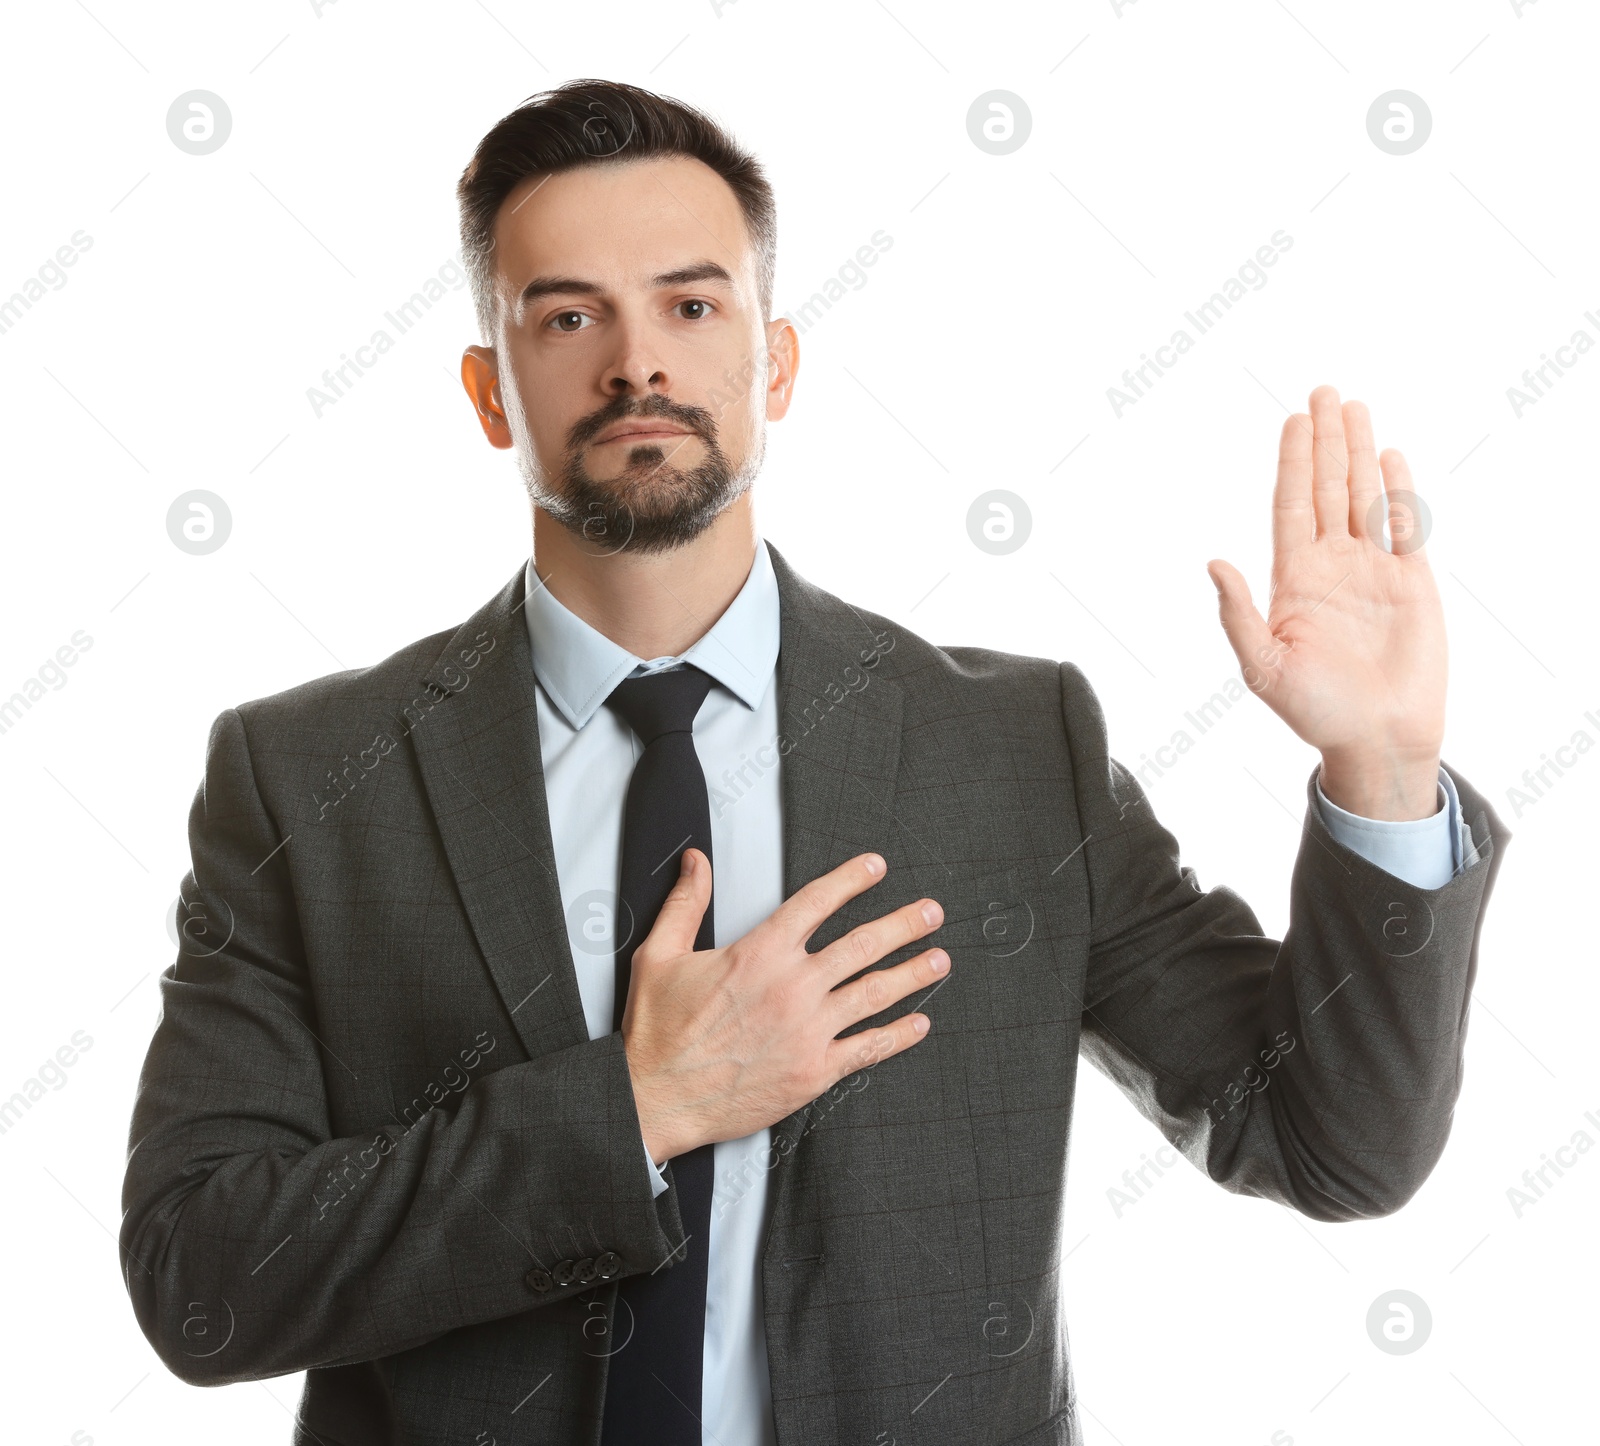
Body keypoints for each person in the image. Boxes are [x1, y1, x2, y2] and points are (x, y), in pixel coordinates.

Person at [119, 79, 1510, 1446]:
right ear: (491, 390)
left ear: (773, 364)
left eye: (690, 303)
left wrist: (1383, 770)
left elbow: (1333, 1141)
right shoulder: (305, 778)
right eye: (566, 315)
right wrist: (641, 1106)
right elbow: (201, 1277)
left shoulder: (1017, 750)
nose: (636, 364)